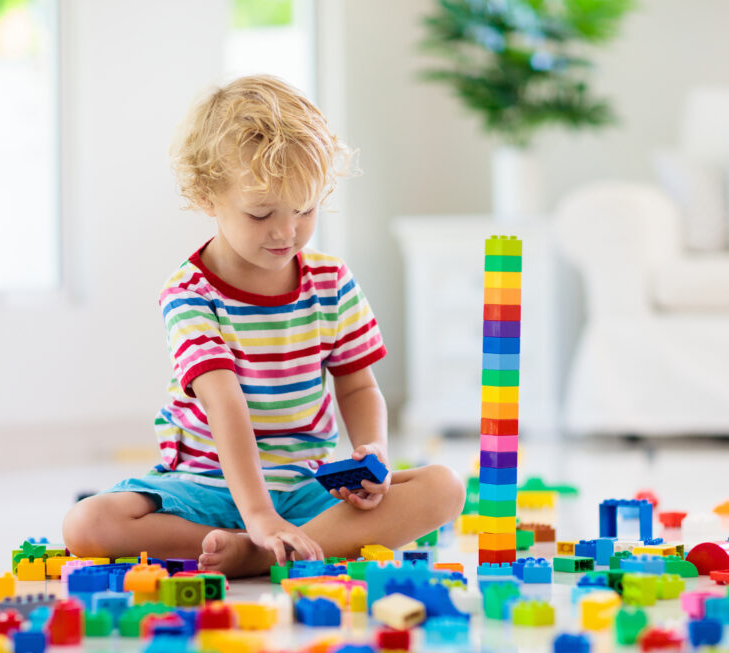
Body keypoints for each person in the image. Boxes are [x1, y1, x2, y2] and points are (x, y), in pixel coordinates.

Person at [62, 75, 465, 578]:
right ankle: (267, 544)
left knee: (444, 486)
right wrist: (256, 514)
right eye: (260, 213)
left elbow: (358, 385)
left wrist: (374, 455)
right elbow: (224, 404)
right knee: (88, 524)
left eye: (305, 209)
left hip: (304, 489)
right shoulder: (190, 294)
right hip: (203, 489)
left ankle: (255, 555)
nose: (286, 231)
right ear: (208, 196)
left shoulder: (332, 281)